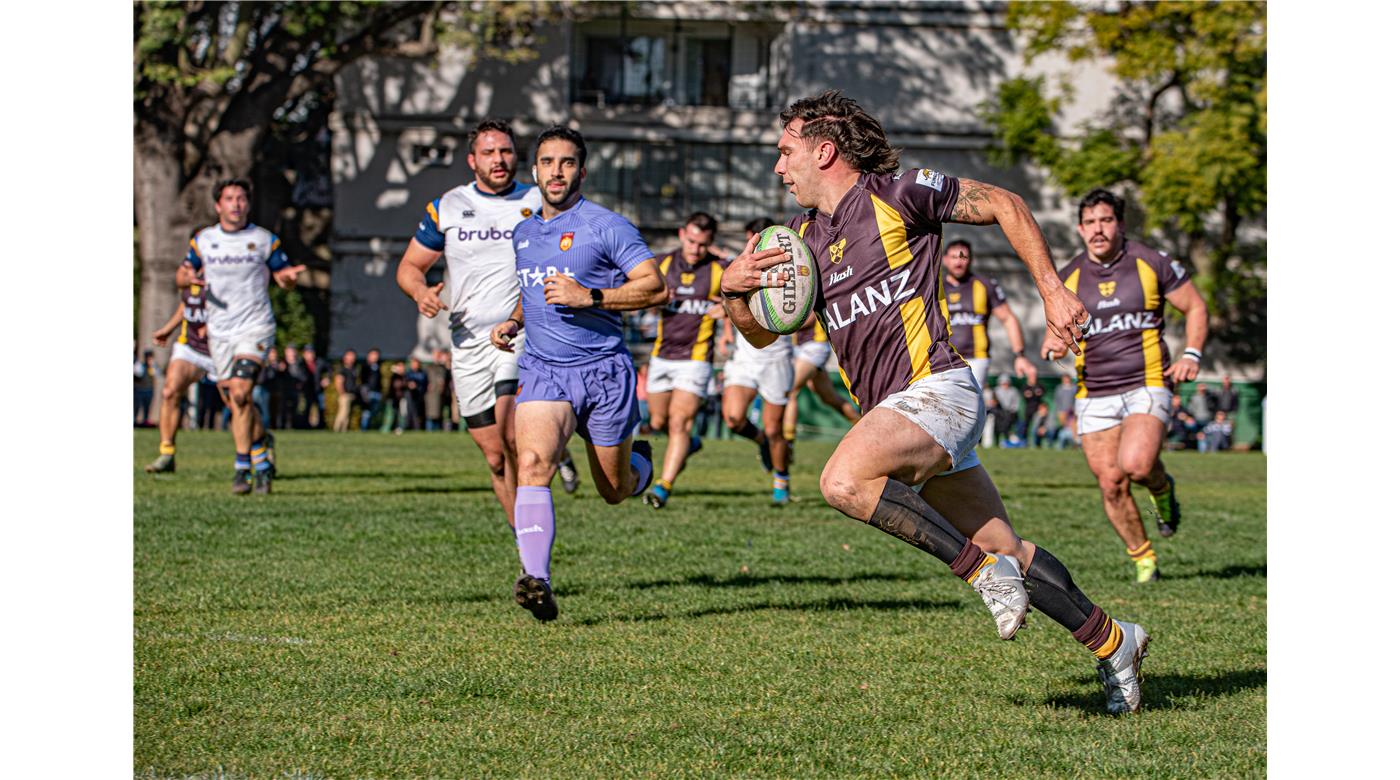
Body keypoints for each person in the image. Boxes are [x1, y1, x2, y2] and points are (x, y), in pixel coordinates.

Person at [720, 91, 1148, 713]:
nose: (779, 167)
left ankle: (979, 574)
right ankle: (1115, 642)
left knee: (842, 481)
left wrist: (1053, 292)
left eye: (786, 153)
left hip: (938, 390)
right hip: (901, 415)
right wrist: (734, 293)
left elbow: (1005, 203)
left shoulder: (897, 193)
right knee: (1009, 549)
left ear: (825, 150)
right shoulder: (803, 242)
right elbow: (763, 335)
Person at [488, 125, 666, 622]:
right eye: (547, 162)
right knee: (532, 463)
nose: (556, 172)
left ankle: (641, 466)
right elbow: (532, 291)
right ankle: (536, 581)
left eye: (567, 163)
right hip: (544, 370)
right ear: (535, 171)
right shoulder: (525, 233)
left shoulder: (607, 226)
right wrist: (514, 321)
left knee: (613, 491)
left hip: (604, 373)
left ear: (581, 172)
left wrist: (590, 296)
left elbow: (656, 287)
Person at [397, 118, 582, 523]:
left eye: (505, 151)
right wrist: (421, 292)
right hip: (467, 342)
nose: (498, 160)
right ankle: (524, 542)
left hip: (522, 333)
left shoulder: (539, 200)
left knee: (513, 432)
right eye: (489, 153)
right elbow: (409, 266)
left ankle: (536, 523)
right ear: (472, 160)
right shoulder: (447, 206)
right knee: (496, 457)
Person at [1043, 188, 1208, 583]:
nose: (1097, 229)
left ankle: (1161, 490)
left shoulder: (1151, 262)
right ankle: (1144, 560)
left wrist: (1191, 354)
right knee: (1111, 483)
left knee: (1136, 465)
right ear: (1080, 229)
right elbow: (1056, 330)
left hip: (1146, 382)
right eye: (1089, 222)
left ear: (1119, 223)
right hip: (1093, 391)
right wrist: (1054, 343)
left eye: (1106, 220)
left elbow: (1195, 306)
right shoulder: (1069, 276)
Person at [177, 178, 304, 494]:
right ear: (218, 205)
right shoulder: (204, 240)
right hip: (219, 331)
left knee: (241, 391)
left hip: (255, 327)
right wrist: (187, 277)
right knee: (237, 402)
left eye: (241, 198)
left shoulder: (263, 240)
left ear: (248, 204)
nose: (236, 204)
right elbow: (182, 273)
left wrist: (288, 280)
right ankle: (261, 453)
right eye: (230, 198)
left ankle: (242, 467)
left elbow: (282, 276)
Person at [641, 212, 728, 509]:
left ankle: (663, 487)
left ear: (711, 243)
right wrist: (653, 300)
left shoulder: (719, 269)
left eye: (702, 244)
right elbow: (639, 293)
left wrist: (729, 307)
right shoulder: (662, 263)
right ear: (681, 234)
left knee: (679, 422)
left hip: (696, 359)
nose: (695, 249)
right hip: (661, 356)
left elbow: (748, 294)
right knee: (658, 421)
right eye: (691, 241)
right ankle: (688, 445)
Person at [720, 217, 794, 505]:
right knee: (733, 419)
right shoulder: (740, 267)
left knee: (775, 428)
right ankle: (761, 441)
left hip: (776, 357)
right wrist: (726, 328)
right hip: (745, 355)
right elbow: (728, 300)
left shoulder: (789, 268)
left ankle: (781, 482)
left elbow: (807, 312)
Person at [940, 239, 1037, 391]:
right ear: (945, 259)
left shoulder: (985, 284)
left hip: (977, 359)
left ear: (970, 259)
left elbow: (1008, 319)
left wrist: (1020, 355)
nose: (958, 263)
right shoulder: (935, 286)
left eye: (963, 257)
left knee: (970, 399)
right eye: (954, 257)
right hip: (944, 358)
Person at [144, 274, 216, 472]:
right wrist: (167, 329)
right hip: (190, 346)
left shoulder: (228, 263)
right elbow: (185, 298)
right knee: (169, 391)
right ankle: (167, 453)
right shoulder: (193, 262)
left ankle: (260, 443)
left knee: (236, 400)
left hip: (220, 346)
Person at [783, 317, 860, 443]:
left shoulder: (811, 302)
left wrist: (783, 324)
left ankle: (787, 441)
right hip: (801, 347)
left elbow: (810, 317)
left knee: (790, 391)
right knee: (829, 398)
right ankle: (861, 424)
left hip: (815, 347)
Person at [332, 349, 359, 432]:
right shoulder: (342, 370)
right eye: (349, 355)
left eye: (353, 356)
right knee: (343, 413)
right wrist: (342, 393)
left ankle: (344, 430)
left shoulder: (353, 369)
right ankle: (337, 429)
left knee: (347, 413)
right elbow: (338, 382)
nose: (351, 358)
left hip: (351, 394)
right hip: (344, 395)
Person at [358, 347, 384, 430]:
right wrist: (364, 392)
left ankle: (370, 426)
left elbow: (379, 381)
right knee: (366, 411)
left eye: (376, 355)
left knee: (375, 411)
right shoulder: (365, 366)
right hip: (368, 392)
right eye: (373, 354)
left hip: (377, 392)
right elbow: (362, 380)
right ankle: (364, 428)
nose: (375, 357)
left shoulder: (378, 366)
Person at [134, 349, 156, 426]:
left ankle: (145, 421)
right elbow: (138, 374)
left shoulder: (153, 367)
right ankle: (134, 421)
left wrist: (151, 367)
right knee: (136, 407)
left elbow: (156, 374)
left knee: (147, 408)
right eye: (148, 357)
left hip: (149, 390)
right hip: (139, 390)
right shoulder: (140, 366)